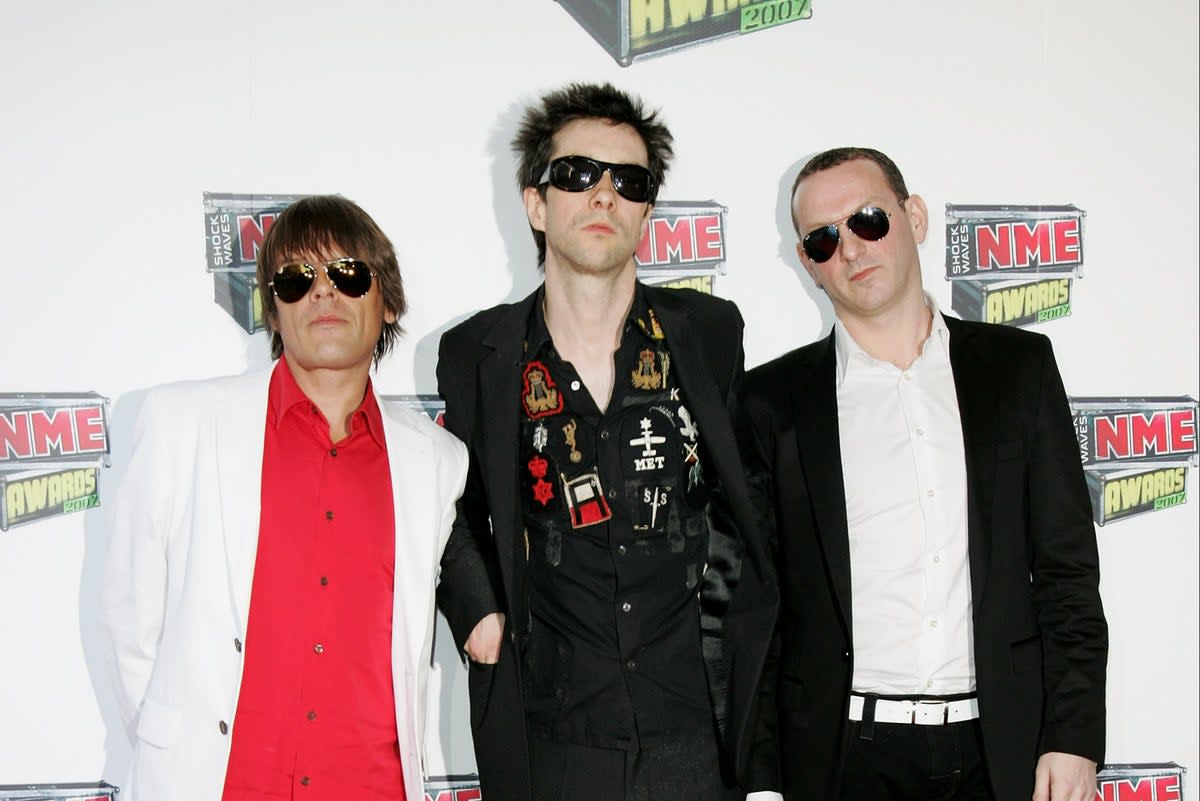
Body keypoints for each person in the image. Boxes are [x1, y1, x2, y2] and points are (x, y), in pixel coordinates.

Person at [435, 82, 776, 801]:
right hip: (554, 731)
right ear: (536, 203)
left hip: (694, 733)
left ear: (647, 212)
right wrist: (478, 611)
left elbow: (747, 497)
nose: (603, 196)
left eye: (629, 181)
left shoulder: (710, 335)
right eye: (577, 174)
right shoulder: (479, 353)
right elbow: (446, 499)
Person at [738, 147, 1107, 801]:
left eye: (869, 220)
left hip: (1004, 751)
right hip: (841, 758)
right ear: (807, 262)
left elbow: (1066, 572)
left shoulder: (1017, 368)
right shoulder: (772, 402)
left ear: (914, 216)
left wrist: (1073, 735)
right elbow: (758, 612)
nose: (850, 249)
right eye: (823, 239)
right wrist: (763, 782)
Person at [101, 195, 468, 801]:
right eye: (296, 280)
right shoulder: (178, 424)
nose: (322, 293)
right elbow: (128, 619)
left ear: (388, 301)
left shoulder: (437, 461)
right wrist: (181, 746)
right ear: (273, 309)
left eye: (348, 274)